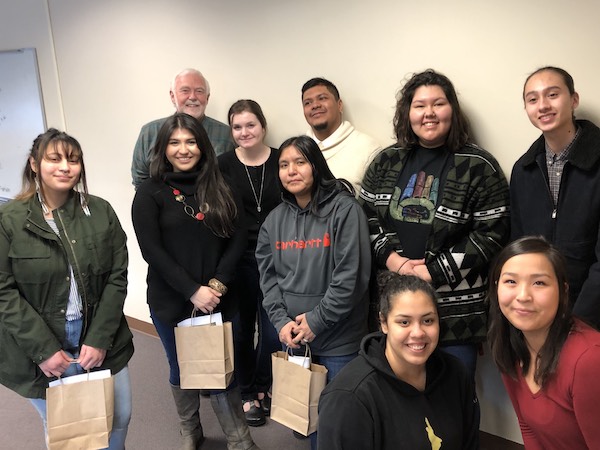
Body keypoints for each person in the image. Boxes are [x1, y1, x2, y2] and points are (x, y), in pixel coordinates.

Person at [359, 69, 510, 379]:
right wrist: (395, 262)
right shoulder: (384, 161)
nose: (429, 113)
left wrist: (434, 271)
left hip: (456, 312)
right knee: (400, 395)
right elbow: (366, 220)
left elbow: (492, 233)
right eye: (419, 105)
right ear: (407, 113)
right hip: (396, 306)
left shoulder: (480, 165)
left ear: (452, 109)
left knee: (455, 397)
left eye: (438, 103)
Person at [131, 113, 259, 450]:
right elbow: (152, 251)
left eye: (190, 141)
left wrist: (215, 287)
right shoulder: (149, 192)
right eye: (175, 142)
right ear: (163, 148)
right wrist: (192, 291)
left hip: (220, 298)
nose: (183, 149)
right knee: (181, 367)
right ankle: (191, 431)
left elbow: (237, 238)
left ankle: (239, 438)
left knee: (221, 367)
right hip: (171, 300)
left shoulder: (221, 184)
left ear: (202, 146)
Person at [0, 129, 134, 449]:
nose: (65, 167)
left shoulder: (99, 211)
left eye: (73, 160)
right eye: (54, 158)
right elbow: (4, 291)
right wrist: (43, 349)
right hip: (39, 342)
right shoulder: (9, 219)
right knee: (70, 430)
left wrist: (99, 338)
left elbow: (117, 276)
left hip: (99, 335)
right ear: (35, 164)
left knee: (119, 417)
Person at [256, 135, 371, 449]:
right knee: (309, 418)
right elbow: (268, 280)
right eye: (284, 164)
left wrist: (317, 321)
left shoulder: (345, 211)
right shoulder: (273, 221)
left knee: (339, 420)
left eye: (300, 162)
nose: (292, 170)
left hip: (339, 340)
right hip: (295, 338)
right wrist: (281, 322)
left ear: (316, 166)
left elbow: (352, 278)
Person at [318, 272, 479, 449]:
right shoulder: (349, 397)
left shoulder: (455, 373)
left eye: (428, 320)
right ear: (383, 323)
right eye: (404, 322)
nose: (418, 333)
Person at [487, 236, 600, 449]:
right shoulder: (510, 344)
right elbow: (528, 427)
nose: (523, 296)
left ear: (563, 291)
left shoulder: (589, 359)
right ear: (496, 287)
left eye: (539, 282)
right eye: (511, 281)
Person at [510, 66, 600, 329]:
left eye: (552, 95)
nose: (543, 106)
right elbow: (519, 248)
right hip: (538, 313)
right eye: (533, 99)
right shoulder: (523, 169)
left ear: (574, 100)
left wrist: (580, 321)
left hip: (590, 316)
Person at [218, 100, 281, 427]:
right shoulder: (223, 164)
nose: (245, 132)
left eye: (250, 125)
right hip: (238, 259)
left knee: (273, 333)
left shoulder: (281, 159)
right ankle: (246, 393)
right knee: (242, 331)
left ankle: (263, 384)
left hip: (276, 260)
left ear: (263, 126)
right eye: (237, 127)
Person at [131, 68, 235, 189]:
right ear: (172, 96)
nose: (192, 97)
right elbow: (140, 181)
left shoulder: (226, 134)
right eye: (185, 91)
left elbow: (232, 177)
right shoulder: (150, 132)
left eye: (199, 91)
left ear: (207, 97)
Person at [302, 77, 381, 194]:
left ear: (339, 105)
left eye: (322, 98)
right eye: (308, 103)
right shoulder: (297, 151)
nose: (315, 105)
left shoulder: (368, 148)